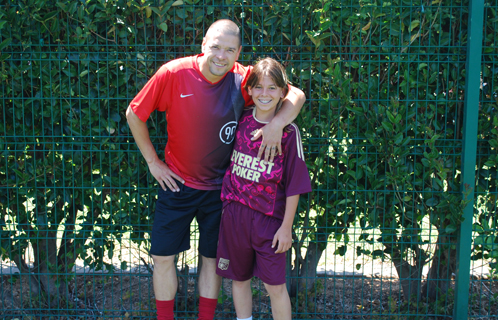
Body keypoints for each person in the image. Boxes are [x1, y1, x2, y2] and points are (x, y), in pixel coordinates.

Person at [125, 20, 305, 320]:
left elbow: (295, 95)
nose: (221, 56)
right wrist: (153, 162)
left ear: (238, 53)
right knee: (162, 257)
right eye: (216, 47)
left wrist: (276, 124)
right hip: (176, 184)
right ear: (203, 45)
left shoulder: (244, 79)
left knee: (212, 261)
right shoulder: (173, 72)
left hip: (222, 192)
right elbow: (134, 113)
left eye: (229, 50)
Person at [215, 57, 311, 320]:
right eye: (258, 87)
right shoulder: (240, 121)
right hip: (235, 215)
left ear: (283, 92)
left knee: (275, 287)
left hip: (269, 222)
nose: (264, 93)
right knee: (239, 280)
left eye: (272, 88)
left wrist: (286, 227)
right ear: (249, 91)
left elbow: (295, 185)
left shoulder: (289, 133)